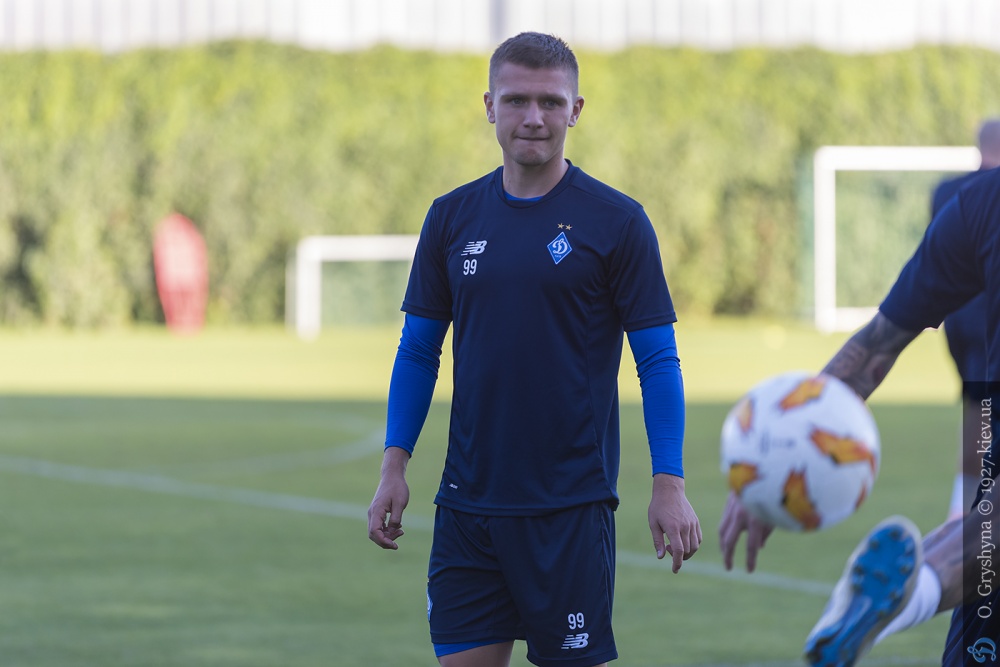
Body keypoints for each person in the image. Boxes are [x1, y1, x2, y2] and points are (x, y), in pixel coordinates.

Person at [366, 32, 702, 667]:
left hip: (568, 508)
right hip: (467, 506)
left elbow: (658, 361)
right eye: (516, 99)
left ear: (576, 111)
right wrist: (394, 466)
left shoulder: (618, 222)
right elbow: (417, 353)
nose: (533, 117)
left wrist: (669, 481)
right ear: (489, 106)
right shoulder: (450, 217)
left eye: (551, 102)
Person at [719, 164, 1000, 666]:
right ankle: (910, 594)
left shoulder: (980, 203)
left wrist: (772, 470)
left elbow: (876, 346)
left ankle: (906, 594)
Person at [933, 119, 1000, 519]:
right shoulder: (990, 194)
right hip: (987, 321)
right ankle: (969, 520)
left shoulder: (947, 191)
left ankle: (964, 512)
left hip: (958, 321)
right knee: (985, 412)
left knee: (976, 406)